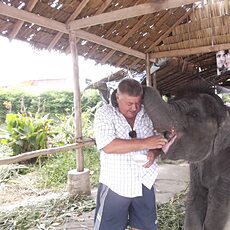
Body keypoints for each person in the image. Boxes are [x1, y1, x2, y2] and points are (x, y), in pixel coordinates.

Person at [93, 78, 168, 230]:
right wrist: (146, 143)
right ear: (117, 97)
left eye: (138, 103)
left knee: (145, 227)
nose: (134, 108)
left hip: (144, 181)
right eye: (129, 103)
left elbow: (159, 140)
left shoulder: (148, 113)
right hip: (116, 184)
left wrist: (153, 152)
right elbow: (108, 145)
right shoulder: (105, 114)